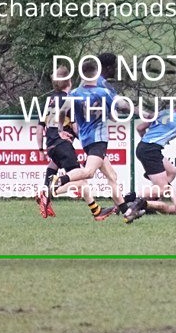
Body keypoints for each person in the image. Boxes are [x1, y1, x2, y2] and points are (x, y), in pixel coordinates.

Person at [49, 60, 132, 218]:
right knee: (89, 172)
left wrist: (60, 129)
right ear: (97, 73)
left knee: (112, 176)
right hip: (98, 139)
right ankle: (59, 180)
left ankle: (126, 212)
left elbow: (62, 112)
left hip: (85, 139)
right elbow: (116, 114)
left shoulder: (74, 93)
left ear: (81, 74)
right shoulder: (103, 92)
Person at [34, 66, 114, 221]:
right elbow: (76, 126)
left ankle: (47, 194)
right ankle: (46, 193)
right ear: (69, 82)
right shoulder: (69, 99)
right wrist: (88, 144)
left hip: (51, 144)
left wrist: (41, 148)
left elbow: (39, 127)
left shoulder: (50, 100)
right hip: (62, 144)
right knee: (80, 180)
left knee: (53, 167)